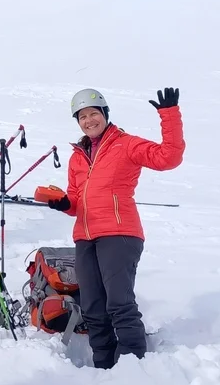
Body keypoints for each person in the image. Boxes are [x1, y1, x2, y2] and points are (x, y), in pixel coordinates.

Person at [37, 87, 185, 368]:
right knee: (92, 307)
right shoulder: (77, 157)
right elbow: (76, 202)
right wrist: (62, 203)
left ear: (105, 114)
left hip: (120, 234)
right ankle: (103, 366)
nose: (88, 120)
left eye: (94, 113)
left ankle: (133, 366)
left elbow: (169, 158)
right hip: (85, 237)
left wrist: (169, 115)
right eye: (82, 116)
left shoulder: (126, 144)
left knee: (119, 303)